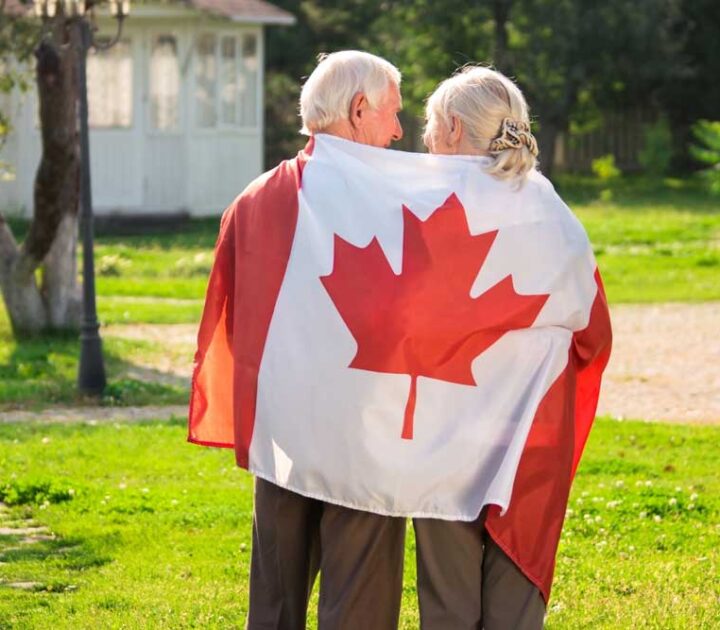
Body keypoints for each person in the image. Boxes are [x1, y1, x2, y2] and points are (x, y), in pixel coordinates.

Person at [188, 51, 406, 630]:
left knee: (275, 602)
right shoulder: (397, 199)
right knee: (358, 601)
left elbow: (235, 320)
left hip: (280, 430)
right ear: (360, 110)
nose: (399, 131)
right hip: (365, 431)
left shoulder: (253, 198)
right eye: (392, 114)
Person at [414, 65, 612, 629]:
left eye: (429, 125)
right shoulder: (556, 213)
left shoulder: (424, 208)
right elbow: (594, 333)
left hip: (444, 428)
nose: (424, 138)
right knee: (517, 597)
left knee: (447, 596)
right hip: (534, 434)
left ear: (453, 128)